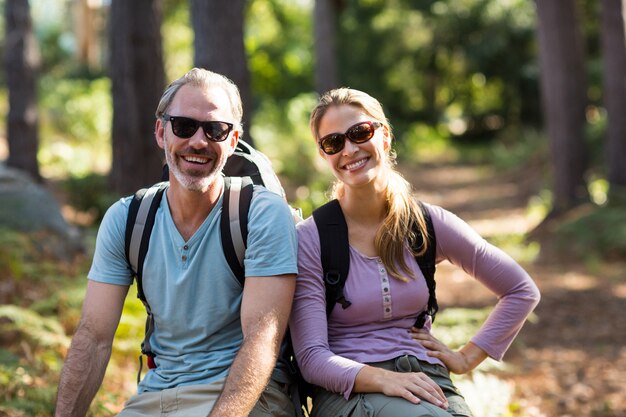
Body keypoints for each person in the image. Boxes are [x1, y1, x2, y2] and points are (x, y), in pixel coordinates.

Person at [55, 68, 298, 417]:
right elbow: (93, 337)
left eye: (215, 129)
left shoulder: (259, 214)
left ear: (232, 140)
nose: (198, 141)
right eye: (184, 126)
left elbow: (262, 340)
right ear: (160, 131)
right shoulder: (128, 219)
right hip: (160, 394)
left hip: (248, 395)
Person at [289, 88, 541, 417]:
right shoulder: (311, 239)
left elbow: (521, 290)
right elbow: (311, 359)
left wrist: (466, 358)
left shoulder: (425, 223)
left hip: (429, 381)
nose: (349, 150)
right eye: (333, 142)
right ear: (324, 155)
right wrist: (382, 379)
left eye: (360, 132)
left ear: (385, 136)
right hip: (350, 390)